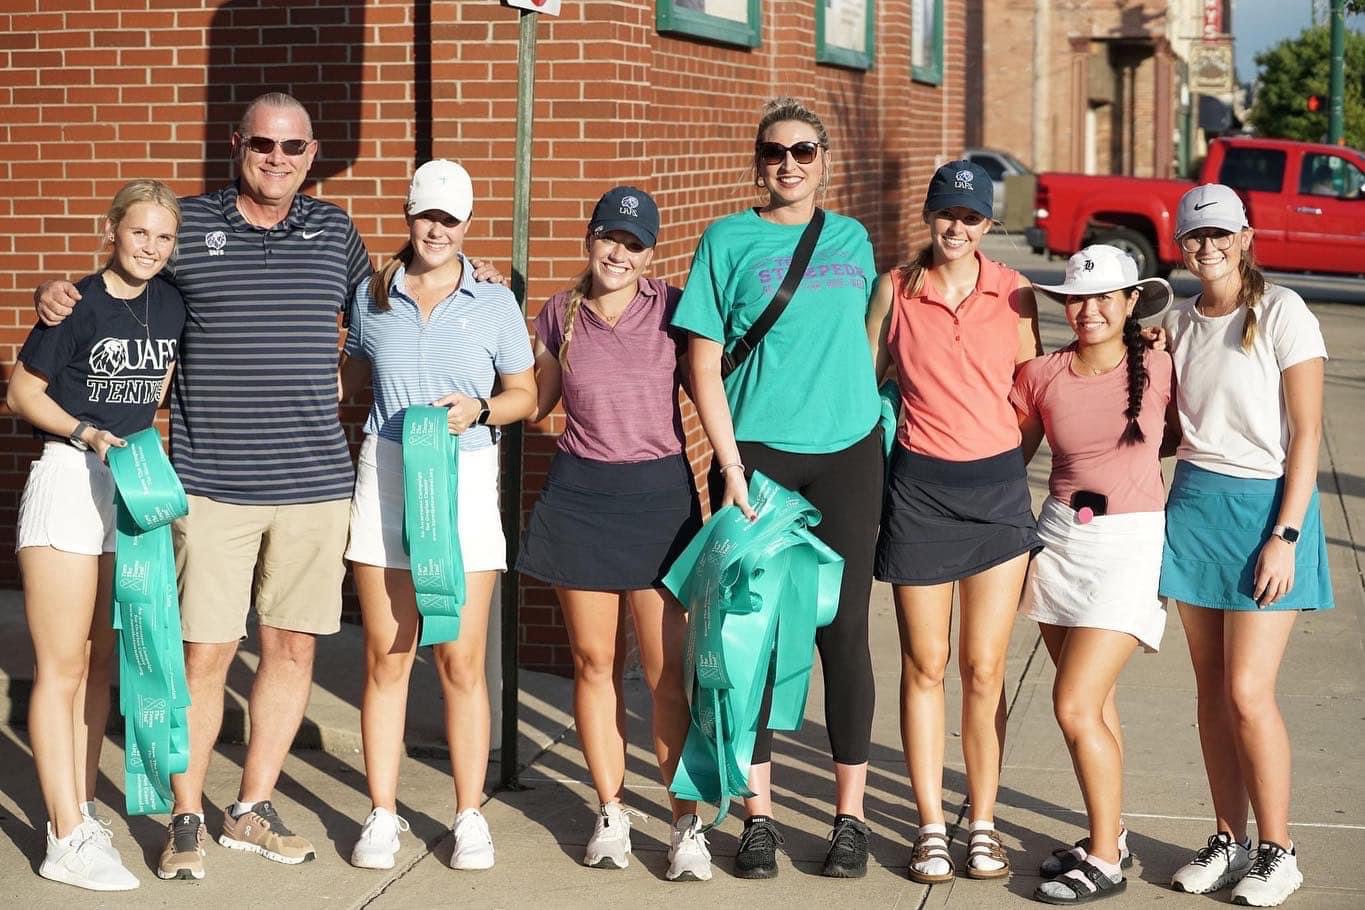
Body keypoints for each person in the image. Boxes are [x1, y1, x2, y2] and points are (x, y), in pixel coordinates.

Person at [35, 93, 376, 881]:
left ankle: (250, 808)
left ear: (312, 153)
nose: (277, 159)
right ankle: (187, 814)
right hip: (212, 483)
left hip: (314, 481)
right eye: (262, 144)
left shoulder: (335, 231)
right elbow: (120, 280)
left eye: (292, 148)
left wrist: (349, 374)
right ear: (237, 145)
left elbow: (381, 307)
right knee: (205, 655)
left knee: (291, 648)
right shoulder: (189, 226)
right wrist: (54, 295)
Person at [672, 97, 885, 880]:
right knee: (750, 637)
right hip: (757, 458)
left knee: (844, 633)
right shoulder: (726, 238)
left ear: (823, 158)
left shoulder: (854, 238)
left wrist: (866, 408)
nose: (787, 164)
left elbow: (868, 330)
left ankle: (849, 821)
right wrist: (729, 470)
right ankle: (758, 818)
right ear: (756, 161)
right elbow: (702, 362)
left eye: (801, 151)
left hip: (849, 455)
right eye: (773, 153)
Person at [340, 159, 536, 873]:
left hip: (463, 478)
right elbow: (350, 380)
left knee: (459, 658)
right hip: (387, 477)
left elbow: (525, 394)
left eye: (450, 220)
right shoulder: (371, 295)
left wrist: (479, 409)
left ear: (467, 224)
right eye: (427, 215)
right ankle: (383, 813)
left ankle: (469, 814)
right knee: (387, 657)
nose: (437, 230)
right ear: (409, 213)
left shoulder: (492, 299)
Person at [515, 186, 711, 881]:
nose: (618, 253)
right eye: (609, 237)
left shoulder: (674, 309)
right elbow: (537, 404)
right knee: (594, 664)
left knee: (664, 673)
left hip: (659, 496)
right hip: (581, 497)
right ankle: (611, 811)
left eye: (633, 243)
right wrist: (490, 312)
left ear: (650, 252)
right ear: (589, 236)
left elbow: (715, 385)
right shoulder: (558, 313)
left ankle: (684, 823)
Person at [866, 159, 1043, 884]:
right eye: (947, 214)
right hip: (919, 495)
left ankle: (983, 822)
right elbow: (859, 374)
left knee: (983, 667)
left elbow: (1031, 395)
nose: (957, 228)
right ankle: (930, 825)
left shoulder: (1015, 293)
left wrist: (1002, 455)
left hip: (996, 497)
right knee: (924, 664)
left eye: (971, 218)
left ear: (987, 225)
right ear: (928, 215)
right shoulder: (896, 290)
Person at [8, 179, 185, 891]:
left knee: (105, 660)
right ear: (111, 230)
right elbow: (21, 392)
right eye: (139, 232)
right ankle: (63, 837)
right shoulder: (74, 303)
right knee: (63, 667)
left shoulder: (172, 300)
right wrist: (86, 430)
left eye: (164, 237)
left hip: (131, 485)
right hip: (70, 476)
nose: (151, 247)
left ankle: (79, 812)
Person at [1160, 184, 1332, 908]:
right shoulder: (1177, 320)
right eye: (1194, 236)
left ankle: (1277, 849)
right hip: (1194, 507)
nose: (1207, 247)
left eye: (1218, 235)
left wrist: (1284, 536)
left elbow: (1307, 435)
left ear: (1244, 236)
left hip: (1266, 510)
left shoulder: (1282, 312)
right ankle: (1228, 839)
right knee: (1207, 694)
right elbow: (1171, 430)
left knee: (1245, 692)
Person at [1011, 246, 1177, 904]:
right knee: (1095, 707)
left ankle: (1104, 860)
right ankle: (1107, 833)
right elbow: (1005, 456)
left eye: (1106, 296)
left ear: (1131, 302)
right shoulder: (1041, 375)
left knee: (1074, 705)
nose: (1090, 309)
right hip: (1057, 545)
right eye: (1078, 298)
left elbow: (1186, 432)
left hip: (1129, 548)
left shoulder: (1162, 365)